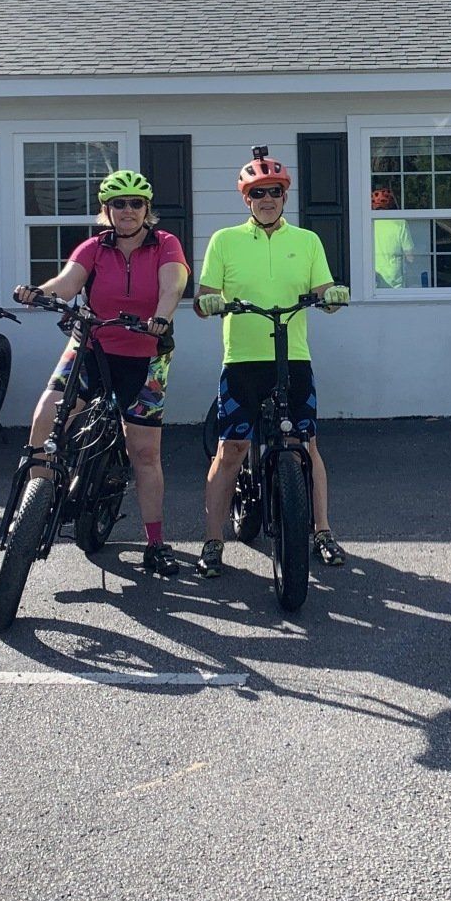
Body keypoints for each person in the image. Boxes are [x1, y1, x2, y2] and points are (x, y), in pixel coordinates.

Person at [12, 169, 189, 577]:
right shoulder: (94, 247)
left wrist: (161, 318)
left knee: (144, 453)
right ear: (105, 210)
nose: (127, 211)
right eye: (118, 204)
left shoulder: (165, 244)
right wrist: (40, 293)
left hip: (146, 354)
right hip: (92, 345)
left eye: (135, 203)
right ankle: (37, 502)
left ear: (147, 210)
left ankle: (156, 542)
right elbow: (67, 282)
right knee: (45, 416)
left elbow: (172, 286)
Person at [194, 148, 351, 579]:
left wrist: (333, 297)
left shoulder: (307, 241)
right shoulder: (224, 240)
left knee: (306, 445)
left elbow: (323, 291)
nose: (267, 200)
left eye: (275, 193)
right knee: (232, 449)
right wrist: (208, 302)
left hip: (292, 358)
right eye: (259, 193)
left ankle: (322, 531)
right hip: (243, 360)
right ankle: (211, 541)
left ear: (285, 197)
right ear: (247, 199)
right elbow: (204, 297)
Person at [371, 185, 418, 289]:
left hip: (371, 279)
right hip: (395, 281)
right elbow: (410, 257)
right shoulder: (400, 223)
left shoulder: (367, 224)